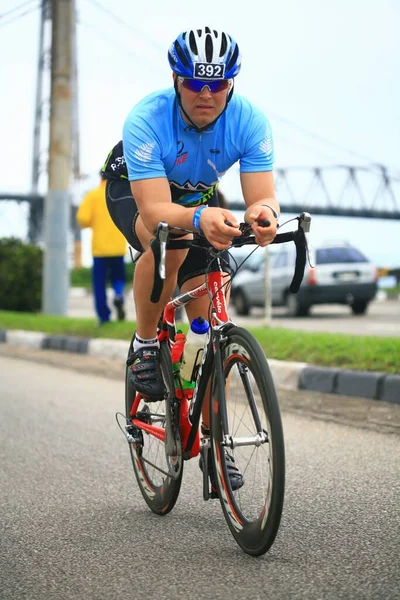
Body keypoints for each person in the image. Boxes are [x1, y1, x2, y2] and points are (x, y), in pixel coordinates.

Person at [102, 26, 280, 489]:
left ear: (231, 83)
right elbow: (157, 210)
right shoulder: (147, 117)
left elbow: (262, 198)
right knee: (168, 240)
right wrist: (199, 220)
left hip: (197, 193)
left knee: (207, 324)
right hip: (138, 189)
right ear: (176, 80)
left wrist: (263, 217)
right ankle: (145, 343)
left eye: (217, 84)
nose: (206, 94)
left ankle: (214, 442)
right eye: (195, 84)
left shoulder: (250, 121)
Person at [76, 172, 127, 324]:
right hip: (118, 246)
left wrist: (93, 223)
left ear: (101, 178)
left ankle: (104, 317)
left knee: (99, 284)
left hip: (99, 249)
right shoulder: (120, 196)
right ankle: (118, 295)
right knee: (118, 278)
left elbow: (83, 219)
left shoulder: (93, 196)